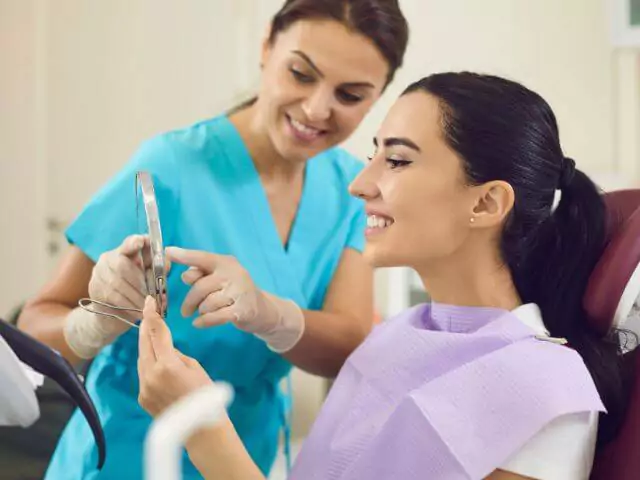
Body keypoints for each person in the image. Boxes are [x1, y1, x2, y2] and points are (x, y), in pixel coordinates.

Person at [136, 72, 631, 480]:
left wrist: (202, 430)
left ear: (486, 202)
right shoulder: (399, 335)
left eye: (396, 160)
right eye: (374, 154)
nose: (360, 183)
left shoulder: (544, 390)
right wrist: (268, 314)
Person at [16, 1, 409, 478]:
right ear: (266, 46)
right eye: (301, 74)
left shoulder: (351, 188)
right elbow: (33, 329)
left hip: (244, 456)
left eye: (350, 95)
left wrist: (271, 315)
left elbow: (348, 346)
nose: (316, 109)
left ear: (378, 96)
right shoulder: (171, 166)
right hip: (126, 456)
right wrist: (94, 324)